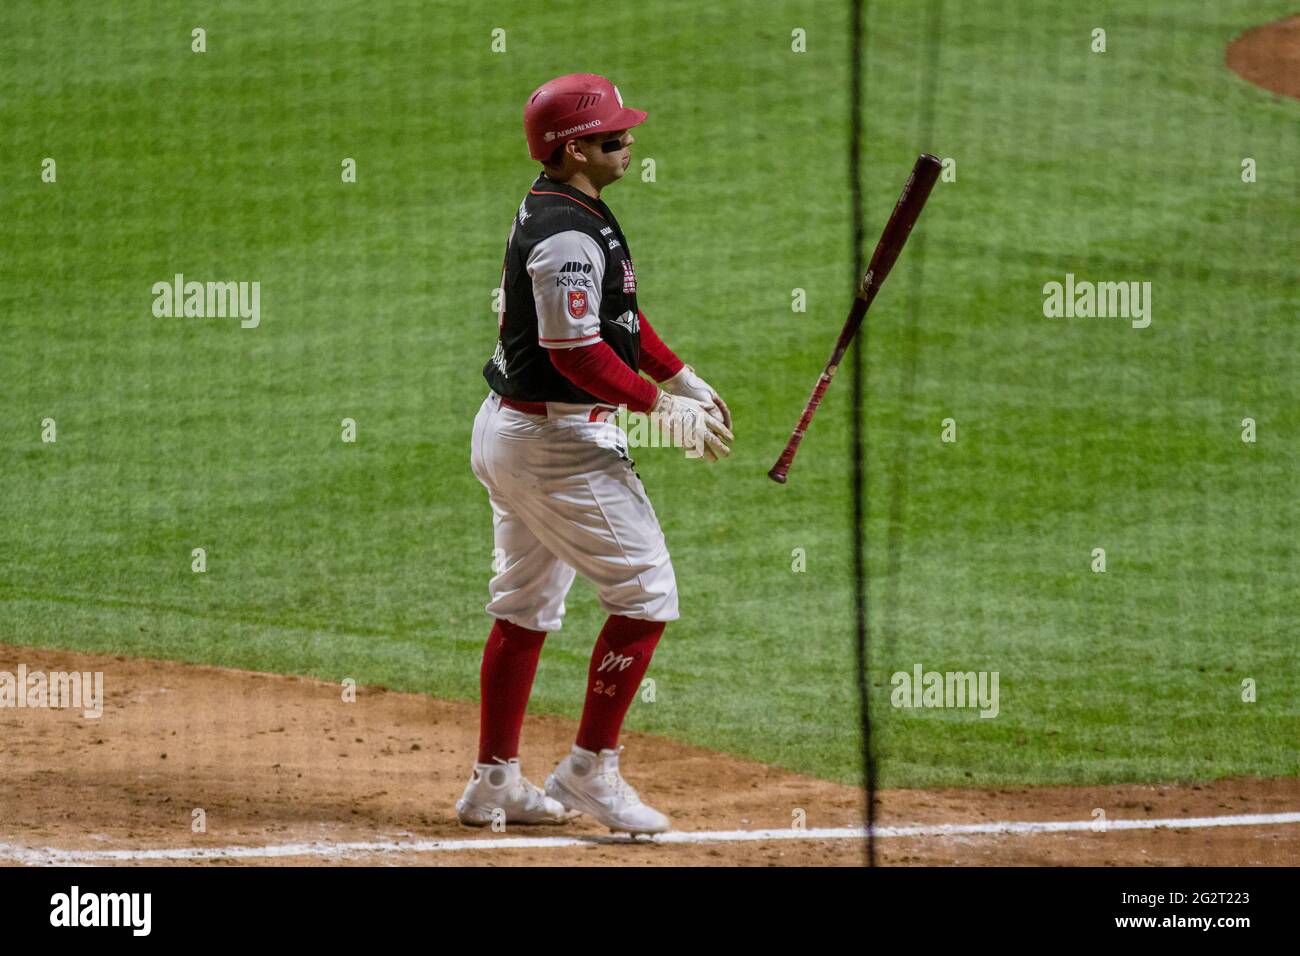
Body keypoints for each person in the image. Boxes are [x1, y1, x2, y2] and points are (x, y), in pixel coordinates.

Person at [457, 73, 733, 835]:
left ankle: (494, 785)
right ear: (574, 149)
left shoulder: (573, 210)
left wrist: (677, 373)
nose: (629, 141)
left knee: (523, 607)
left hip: (517, 430)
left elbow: (618, 320)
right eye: (614, 135)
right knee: (645, 597)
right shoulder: (569, 236)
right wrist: (659, 409)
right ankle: (590, 771)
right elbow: (577, 354)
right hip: (554, 445)